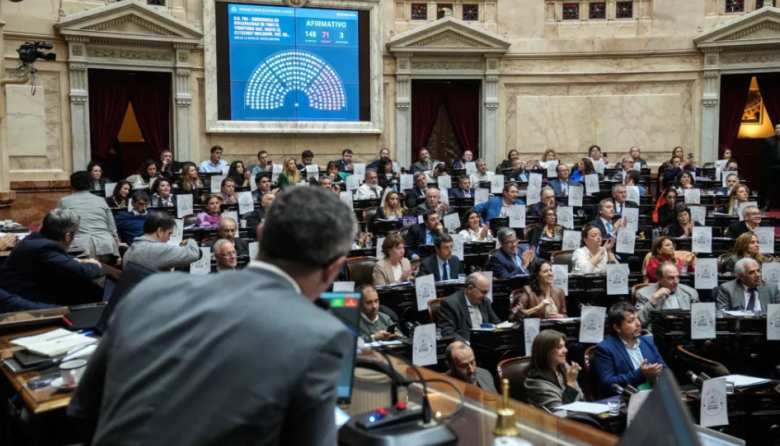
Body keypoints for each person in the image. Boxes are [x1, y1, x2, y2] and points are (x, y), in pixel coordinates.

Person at [69, 187, 356, 446]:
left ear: (259, 236)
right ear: (335, 268)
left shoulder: (151, 290)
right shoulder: (321, 335)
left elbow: (82, 413)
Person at [0, 209, 104, 306]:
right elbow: (83, 272)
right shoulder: (45, 248)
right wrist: (93, 264)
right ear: (67, 237)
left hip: (14, 293)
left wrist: (75, 259)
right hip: (16, 303)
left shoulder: (34, 239)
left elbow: (58, 257)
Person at [593, 302, 668, 399]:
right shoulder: (604, 349)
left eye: (637, 318)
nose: (638, 324)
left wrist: (655, 376)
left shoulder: (648, 342)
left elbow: (665, 370)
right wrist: (641, 374)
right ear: (617, 328)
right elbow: (608, 383)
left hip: (654, 397)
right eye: (631, 321)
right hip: (624, 401)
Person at [57, 171, 121, 264]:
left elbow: (58, 228)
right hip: (107, 246)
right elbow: (112, 228)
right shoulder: (101, 200)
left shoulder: (64, 201)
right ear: (90, 184)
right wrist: (117, 253)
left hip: (80, 248)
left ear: (72, 185)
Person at [122, 211, 201, 272]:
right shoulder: (155, 249)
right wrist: (190, 240)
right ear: (159, 231)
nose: (169, 239)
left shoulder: (131, 249)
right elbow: (193, 253)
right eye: (169, 234)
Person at [524, 331, 583, 410]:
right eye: (559, 347)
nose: (565, 350)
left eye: (564, 346)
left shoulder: (564, 366)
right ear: (545, 352)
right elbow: (561, 413)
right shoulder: (536, 383)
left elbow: (580, 396)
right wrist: (571, 383)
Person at [439, 272, 501, 342]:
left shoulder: (485, 302)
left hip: (486, 346)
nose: (486, 296)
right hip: (465, 347)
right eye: (483, 292)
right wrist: (466, 345)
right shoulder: (451, 304)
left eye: (487, 292)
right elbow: (447, 332)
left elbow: (497, 324)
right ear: (470, 289)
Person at [636, 261, 699, 328]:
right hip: (657, 334)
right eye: (671, 278)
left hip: (685, 332)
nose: (676, 281)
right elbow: (640, 321)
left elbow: (698, 319)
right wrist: (653, 299)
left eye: (677, 277)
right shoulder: (643, 293)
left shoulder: (690, 292)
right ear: (658, 279)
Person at [762, 123, 780, 209]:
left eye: (779, 128)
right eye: (776, 128)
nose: (777, 130)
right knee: (768, 186)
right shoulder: (768, 140)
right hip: (771, 166)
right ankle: (767, 205)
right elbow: (764, 154)